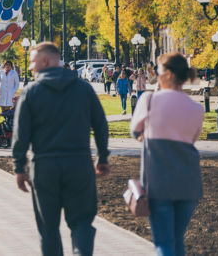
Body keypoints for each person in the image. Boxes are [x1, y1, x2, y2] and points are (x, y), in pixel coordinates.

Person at [12, 42, 110, 256]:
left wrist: (19, 168)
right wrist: (102, 157)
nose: (30, 67)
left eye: (32, 62)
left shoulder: (31, 92)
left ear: (45, 61)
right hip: (79, 164)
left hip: (44, 167)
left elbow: (20, 135)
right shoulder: (83, 89)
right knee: (82, 222)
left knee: (48, 228)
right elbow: (101, 125)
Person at [130, 53, 204, 256]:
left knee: (164, 241)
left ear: (169, 74)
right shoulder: (197, 108)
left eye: (158, 71)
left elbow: (135, 130)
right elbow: (192, 138)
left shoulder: (149, 100)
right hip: (189, 183)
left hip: (160, 182)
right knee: (176, 239)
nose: (155, 75)